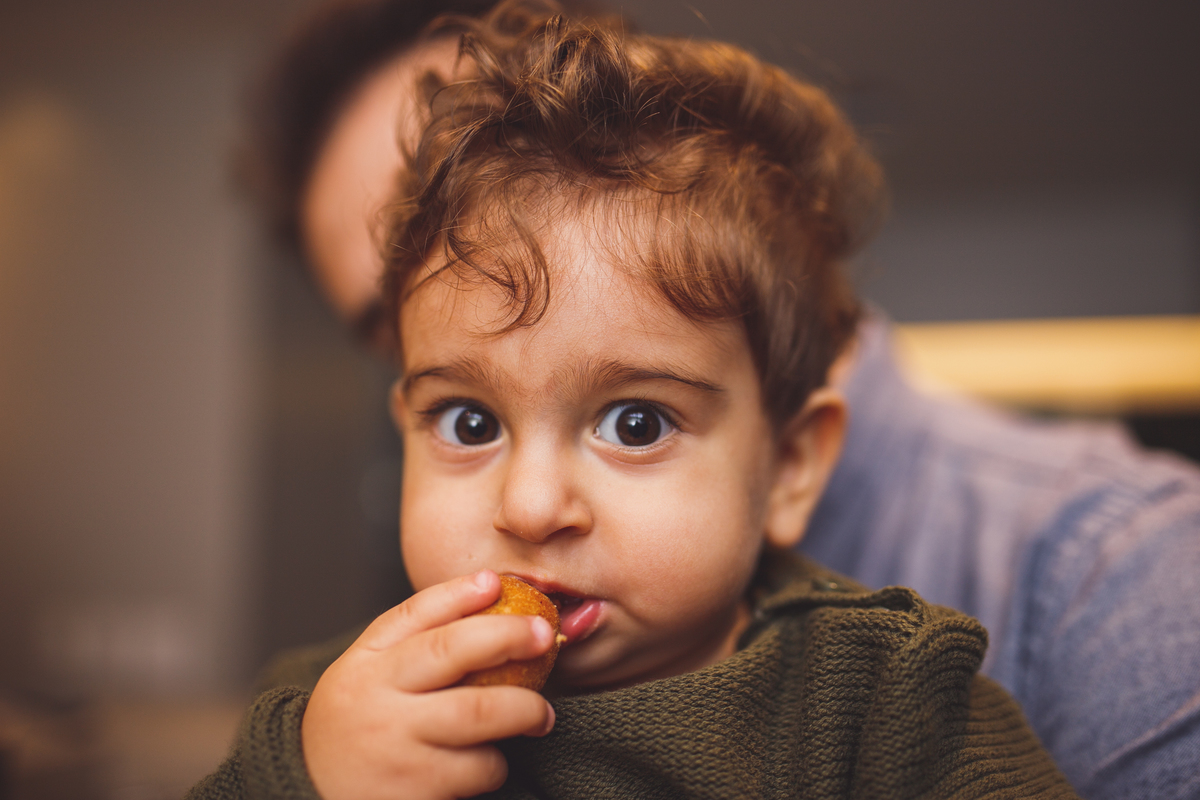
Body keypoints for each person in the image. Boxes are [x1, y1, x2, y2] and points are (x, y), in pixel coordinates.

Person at [243, 1, 1200, 798]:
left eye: (636, 422)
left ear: (789, 465)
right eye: (469, 420)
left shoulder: (887, 698)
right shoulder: (328, 704)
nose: (529, 508)